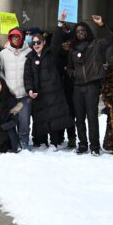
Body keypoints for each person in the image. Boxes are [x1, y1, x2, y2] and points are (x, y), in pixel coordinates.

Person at [23, 19, 74, 149]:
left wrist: (59, 25)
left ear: (44, 42)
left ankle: (55, 142)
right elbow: (27, 76)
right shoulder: (29, 58)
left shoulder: (51, 54)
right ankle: (42, 142)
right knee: (41, 118)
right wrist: (29, 90)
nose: (36, 45)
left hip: (53, 92)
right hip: (38, 93)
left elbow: (56, 41)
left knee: (54, 117)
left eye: (39, 42)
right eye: (34, 43)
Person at [67, 14, 113, 156]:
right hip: (77, 87)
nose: (81, 33)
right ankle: (82, 144)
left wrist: (101, 25)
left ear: (87, 31)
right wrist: (73, 74)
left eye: (83, 30)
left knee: (92, 117)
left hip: (91, 87)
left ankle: (94, 146)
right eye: (78, 31)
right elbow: (69, 67)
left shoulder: (96, 44)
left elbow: (112, 39)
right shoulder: (72, 49)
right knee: (79, 118)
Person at [0, 27, 32, 150]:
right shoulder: (3, 53)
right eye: (13, 37)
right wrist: (5, 86)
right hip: (10, 94)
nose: (16, 39)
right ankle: (13, 141)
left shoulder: (29, 51)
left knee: (24, 120)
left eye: (18, 37)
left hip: (24, 93)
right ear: (10, 38)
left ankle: (24, 141)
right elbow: (0, 71)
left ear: (22, 37)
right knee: (12, 120)